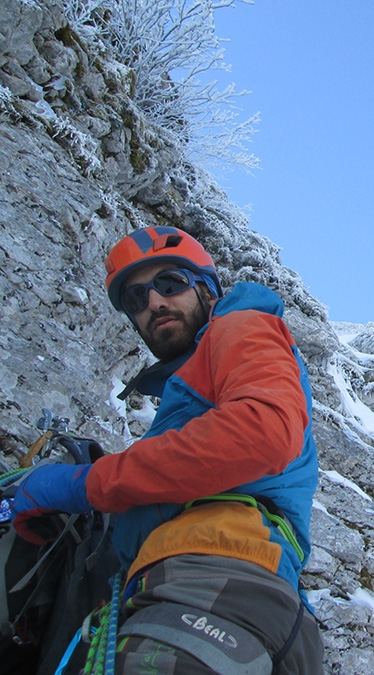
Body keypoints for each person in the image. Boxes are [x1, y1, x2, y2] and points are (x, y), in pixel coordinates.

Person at [11, 226, 323, 674]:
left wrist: (86, 484)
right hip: (229, 595)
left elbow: (263, 432)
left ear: (208, 289)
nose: (154, 302)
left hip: (214, 575)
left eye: (170, 284)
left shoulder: (240, 324)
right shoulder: (194, 387)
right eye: (135, 300)